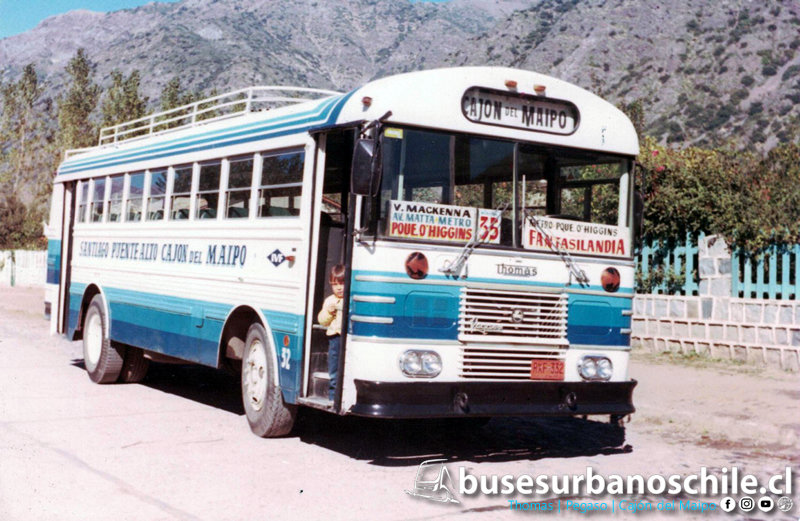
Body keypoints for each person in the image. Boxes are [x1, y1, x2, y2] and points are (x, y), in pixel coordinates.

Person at [318, 264, 345, 401]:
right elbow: (322, 321)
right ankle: (333, 397)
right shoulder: (330, 300)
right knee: (334, 369)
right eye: (335, 284)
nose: (339, 287)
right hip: (335, 338)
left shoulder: (351, 299)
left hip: (346, 338)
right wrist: (329, 311)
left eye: (342, 283)